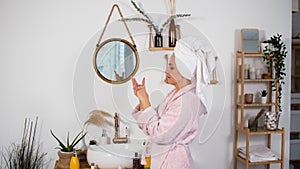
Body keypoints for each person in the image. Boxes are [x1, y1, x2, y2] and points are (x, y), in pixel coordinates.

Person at [131, 37, 216, 169]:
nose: (166, 71)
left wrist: (146, 103)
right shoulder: (176, 94)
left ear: (185, 71)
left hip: (173, 163)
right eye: (167, 66)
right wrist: (143, 99)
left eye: (171, 67)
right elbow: (152, 124)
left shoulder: (187, 101)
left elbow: (160, 134)